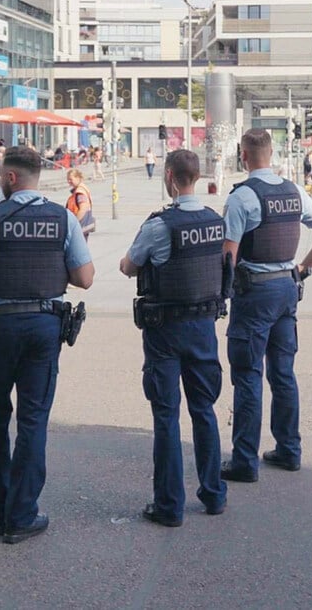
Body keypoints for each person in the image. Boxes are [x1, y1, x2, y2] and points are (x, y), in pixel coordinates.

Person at [0, 146, 95, 544]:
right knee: (33, 420)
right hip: (44, 329)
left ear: (11, 178)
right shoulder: (63, 218)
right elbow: (85, 278)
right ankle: (23, 514)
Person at [221, 129, 312, 484]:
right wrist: (302, 269)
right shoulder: (294, 191)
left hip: (254, 295)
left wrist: (217, 297)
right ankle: (288, 450)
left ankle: (244, 461)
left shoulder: (242, 198)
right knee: (283, 374)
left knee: (248, 376)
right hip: (287, 289)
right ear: (270, 154)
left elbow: (228, 256)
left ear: (244, 156)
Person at [118, 149, 228, 527]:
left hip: (164, 330)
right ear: (196, 177)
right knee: (204, 411)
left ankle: (169, 506)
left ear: (169, 176)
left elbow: (127, 266)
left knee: (166, 416)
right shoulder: (216, 221)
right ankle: (214, 495)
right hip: (203, 329)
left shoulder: (159, 225)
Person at [65, 168, 93, 240]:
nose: (69, 181)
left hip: (81, 226)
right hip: (83, 225)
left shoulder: (80, 192)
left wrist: (75, 222)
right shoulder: (81, 188)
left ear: (77, 178)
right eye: (68, 179)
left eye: (71, 179)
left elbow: (83, 208)